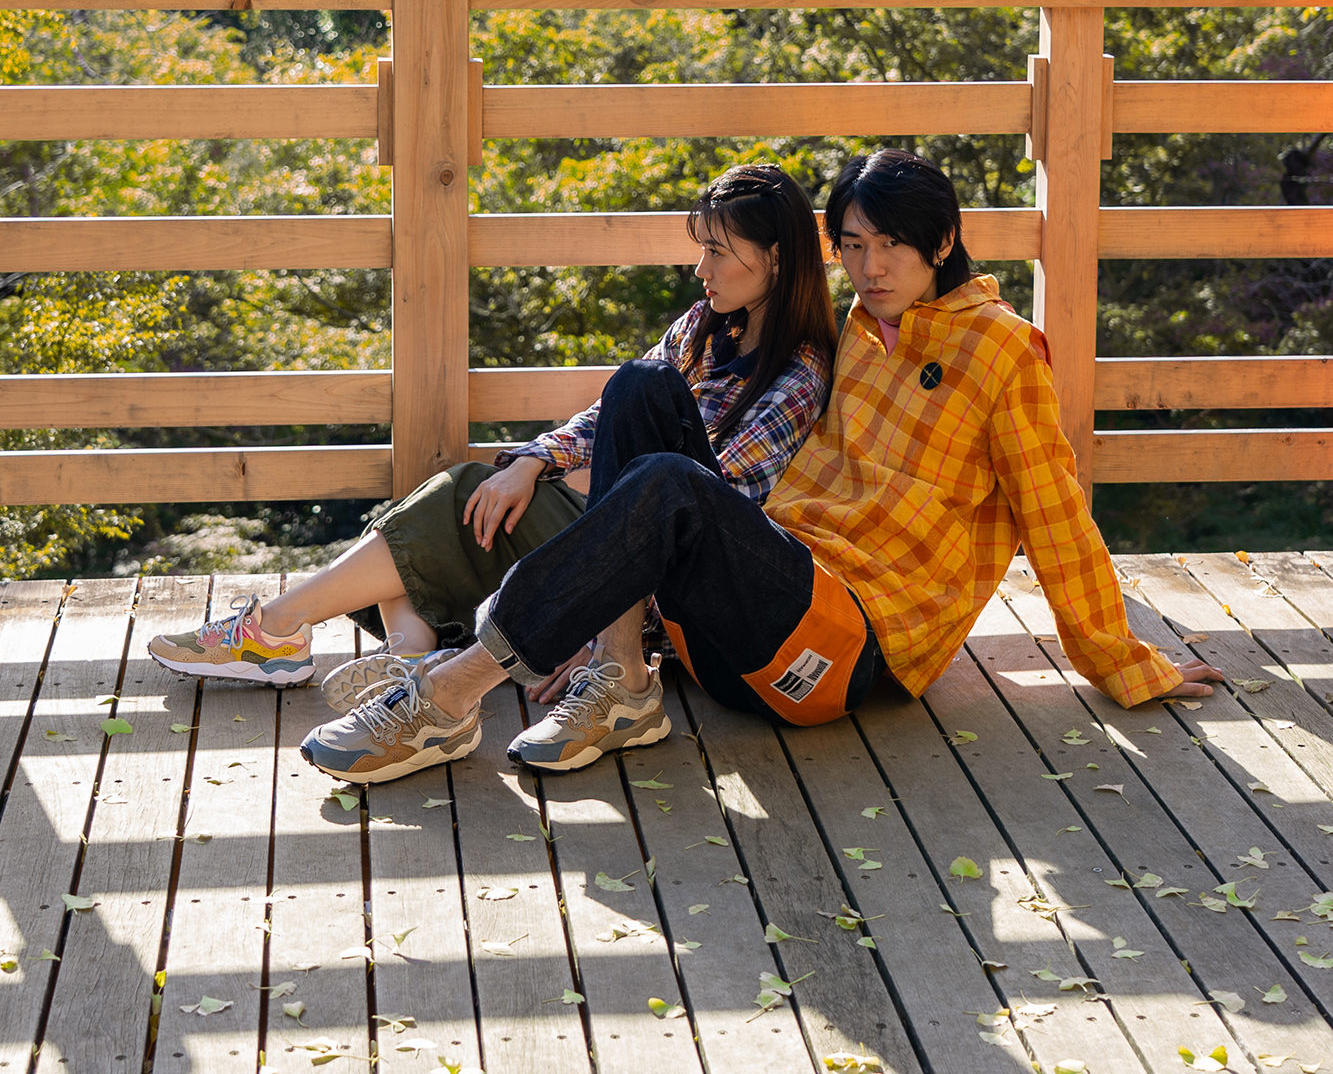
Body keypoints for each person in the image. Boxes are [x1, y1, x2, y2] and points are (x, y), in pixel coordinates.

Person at [295, 147, 1222, 785]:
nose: (871, 266)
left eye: (892, 245)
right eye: (853, 246)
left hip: (845, 651)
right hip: (757, 607)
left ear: (941, 243)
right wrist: (540, 459)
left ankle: (449, 692)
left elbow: (1056, 515)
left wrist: (1122, 661)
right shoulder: (852, 330)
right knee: (639, 390)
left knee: (668, 483)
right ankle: (619, 682)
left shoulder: (1004, 351)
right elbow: (739, 335)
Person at [148, 163, 836, 732]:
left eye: (716, 251)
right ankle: (403, 655)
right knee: (476, 494)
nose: (699, 269)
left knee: (455, 499)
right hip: (592, 513)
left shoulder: (795, 375)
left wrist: (611, 628)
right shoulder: (703, 328)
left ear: (773, 258)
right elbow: (606, 416)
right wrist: (532, 460)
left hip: (635, 563)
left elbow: (720, 515)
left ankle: (286, 630)